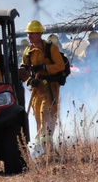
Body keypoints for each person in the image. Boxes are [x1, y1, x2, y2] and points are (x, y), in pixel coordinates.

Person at [18, 20, 66, 156]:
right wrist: (29, 80)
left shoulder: (50, 49)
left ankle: (39, 147)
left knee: (47, 114)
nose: (29, 36)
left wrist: (44, 68)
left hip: (50, 89)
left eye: (32, 33)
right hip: (36, 90)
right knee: (39, 118)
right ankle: (44, 147)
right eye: (28, 34)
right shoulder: (28, 51)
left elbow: (60, 66)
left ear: (39, 34)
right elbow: (23, 70)